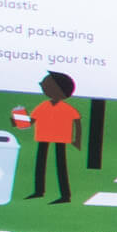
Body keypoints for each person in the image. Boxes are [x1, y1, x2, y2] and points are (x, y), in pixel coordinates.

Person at [16, 71, 82, 205]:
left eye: (46, 84)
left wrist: (77, 140)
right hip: (43, 137)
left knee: (60, 166)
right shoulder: (43, 106)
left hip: (61, 139)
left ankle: (65, 195)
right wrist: (18, 118)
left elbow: (77, 122)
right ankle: (39, 191)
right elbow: (30, 122)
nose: (42, 86)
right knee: (40, 164)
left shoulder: (67, 109)